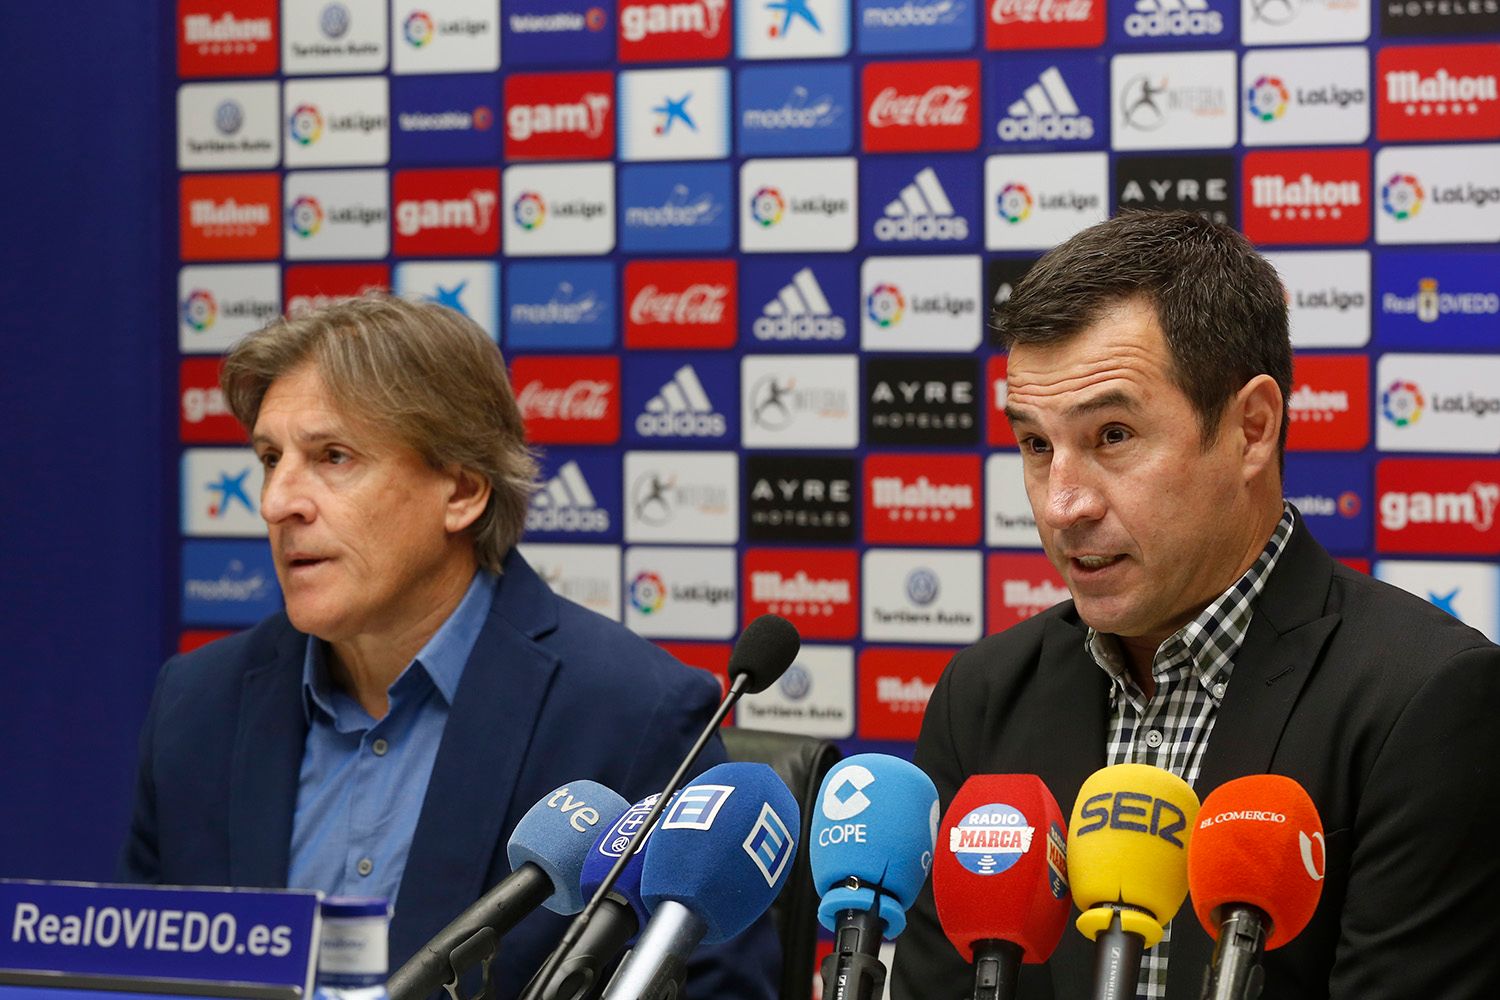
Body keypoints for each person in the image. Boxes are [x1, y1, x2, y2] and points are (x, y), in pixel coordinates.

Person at [890, 211, 1500, 998]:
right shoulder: (981, 698)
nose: (1061, 505)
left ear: (1252, 428)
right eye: (1038, 445)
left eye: (1112, 435)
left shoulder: (1425, 700)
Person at [119, 294, 778, 998]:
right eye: (270, 458)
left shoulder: (633, 717)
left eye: (333, 457)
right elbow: (135, 980)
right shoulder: (197, 704)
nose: (277, 501)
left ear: (462, 490)